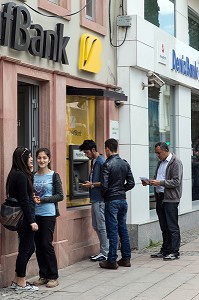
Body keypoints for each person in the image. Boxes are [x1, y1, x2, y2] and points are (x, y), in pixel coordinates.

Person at [142, 142, 183, 260]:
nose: (157, 155)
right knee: (164, 226)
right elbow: (159, 179)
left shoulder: (176, 163)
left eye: (159, 153)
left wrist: (159, 183)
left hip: (170, 198)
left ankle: (175, 251)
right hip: (160, 197)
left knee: (172, 226)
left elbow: (176, 182)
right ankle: (165, 250)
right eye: (156, 153)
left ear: (165, 151)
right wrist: (150, 182)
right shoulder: (160, 163)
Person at [99, 138, 135, 269]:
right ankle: (126, 258)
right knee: (123, 229)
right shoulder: (125, 163)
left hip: (112, 201)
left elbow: (104, 186)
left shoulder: (107, 164)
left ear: (107, 149)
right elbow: (131, 183)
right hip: (122, 200)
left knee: (112, 230)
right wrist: (121, 190)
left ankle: (112, 260)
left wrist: (106, 195)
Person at [6, 147, 39, 291]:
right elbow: (24, 201)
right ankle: (21, 282)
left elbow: (25, 196)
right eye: (30, 156)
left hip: (23, 216)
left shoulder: (17, 173)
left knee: (28, 247)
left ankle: (16, 280)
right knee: (26, 249)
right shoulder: (20, 175)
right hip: (24, 217)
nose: (32, 159)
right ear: (22, 158)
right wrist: (31, 220)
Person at [32, 148, 64, 288]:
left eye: (44, 158)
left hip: (48, 215)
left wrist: (43, 200)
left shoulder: (53, 175)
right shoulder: (33, 176)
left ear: (49, 159)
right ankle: (43, 275)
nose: (42, 160)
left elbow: (60, 195)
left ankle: (53, 276)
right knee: (38, 246)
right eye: (39, 158)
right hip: (35, 214)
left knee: (46, 244)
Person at [79, 140, 109, 261]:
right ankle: (103, 251)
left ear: (93, 150)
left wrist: (91, 184)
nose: (86, 155)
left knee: (101, 226)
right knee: (96, 226)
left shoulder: (101, 162)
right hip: (95, 198)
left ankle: (105, 252)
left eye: (86, 152)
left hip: (100, 199)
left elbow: (105, 182)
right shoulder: (95, 161)